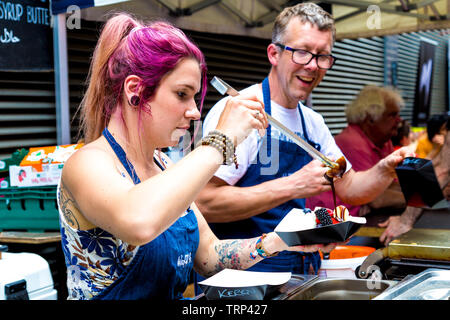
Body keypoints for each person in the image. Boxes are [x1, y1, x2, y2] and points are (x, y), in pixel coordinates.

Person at [56, 13, 326, 300]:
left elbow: (209, 256)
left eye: (195, 97)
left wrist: (281, 240)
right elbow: (139, 221)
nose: (195, 112)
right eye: (182, 94)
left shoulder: (164, 165)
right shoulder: (87, 164)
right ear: (135, 91)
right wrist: (221, 142)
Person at [196, 3, 413, 277]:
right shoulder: (239, 112)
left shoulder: (313, 122)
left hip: (300, 272)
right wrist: (295, 185)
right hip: (243, 279)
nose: (312, 66)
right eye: (302, 52)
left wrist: (384, 169)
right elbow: (205, 203)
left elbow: (350, 187)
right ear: (274, 53)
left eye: (323, 56)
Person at [307, 85, 407, 218]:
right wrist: (418, 198)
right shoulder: (352, 143)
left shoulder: (384, 141)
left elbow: (390, 185)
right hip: (333, 224)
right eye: (392, 115)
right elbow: (375, 199)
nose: (399, 120)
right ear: (371, 117)